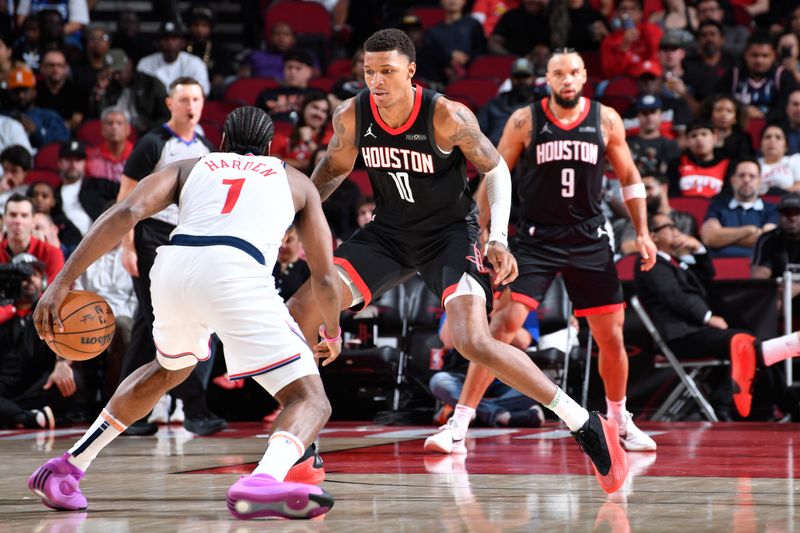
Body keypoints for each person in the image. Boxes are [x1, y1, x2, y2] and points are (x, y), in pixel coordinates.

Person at [286, 30, 629, 493]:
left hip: (449, 236)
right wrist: (292, 216)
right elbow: (332, 170)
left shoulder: (445, 114)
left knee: (472, 340)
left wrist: (499, 238)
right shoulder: (352, 114)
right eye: (369, 72)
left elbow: (495, 168)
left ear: (410, 71)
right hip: (388, 234)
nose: (376, 82)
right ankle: (302, 449)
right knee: (297, 313)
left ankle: (583, 421)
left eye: (386, 71)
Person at [28, 106, 339, 519]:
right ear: (268, 148)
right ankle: (262, 481)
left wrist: (62, 281)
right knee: (310, 399)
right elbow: (324, 277)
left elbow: (125, 213)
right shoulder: (296, 180)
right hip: (236, 271)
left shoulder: (190, 166)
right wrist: (331, 333)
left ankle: (67, 468)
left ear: (222, 143)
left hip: (174, 268)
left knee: (169, 368)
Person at [426, 48, 658, 456]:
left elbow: (631, 178)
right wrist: (476, 231)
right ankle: (458, 425)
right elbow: (493, 173)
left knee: (611, 336)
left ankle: (620, 421)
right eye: (557, 73)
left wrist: (643, 232)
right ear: (546, 79)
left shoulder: (605, 119)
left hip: (589, 238)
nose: (566, 79)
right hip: (537, 241)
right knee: (498, 329)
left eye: (573, 72)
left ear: (585, 76)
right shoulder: (524, 120)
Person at [117, 77, 222, 437]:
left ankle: (128, 412)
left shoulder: (208, 146)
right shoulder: (153, 143)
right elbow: (126, 200)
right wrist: (127, 246)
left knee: (149, 326)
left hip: (188, 239)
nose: (190, 106)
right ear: (170, 104)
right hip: (150, 237)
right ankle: (196, 410)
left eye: (196, 99)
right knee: (166, 321)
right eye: (183, 100)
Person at [636, 212, 800, 418]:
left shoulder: (675, 261)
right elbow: (674, 298)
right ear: (653, 236)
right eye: (669, 227)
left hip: (696, 331)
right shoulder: (649, 262)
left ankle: (730, 404)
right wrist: (707, 317)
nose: (676, 231)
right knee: (743, 342)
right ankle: (784, 403)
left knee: (748, 342)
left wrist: (699, 249)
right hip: (680, 337)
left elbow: (707, 274)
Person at [700, 158, 778, 258]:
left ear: (760, 181)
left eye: (752, 176)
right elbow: (709, 238)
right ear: (732, 180)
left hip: (757, 268)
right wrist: (749, 230)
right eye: (741, 175)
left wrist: (722, 237)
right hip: (720, 267)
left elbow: (768, 241)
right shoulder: (717, 206)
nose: (746, 180)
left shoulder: (771, 209)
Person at [0, 194, 63, 282]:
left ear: (33, 221)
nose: (18, 221)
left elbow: (55, 293)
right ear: (4, 219)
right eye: (13, 215)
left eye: (24, 215)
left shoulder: (52, 254)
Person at [85, 106, 134, 183]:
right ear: (102, 129)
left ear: (128, 129)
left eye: (119, 123)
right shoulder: (90, 157)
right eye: (109, 123)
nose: (114, 127)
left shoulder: (137, 155)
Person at [758, 124, 800, 194]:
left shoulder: (795, 160)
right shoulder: (753, 164)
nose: (772, 140)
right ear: (761, 145)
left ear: (786, 146)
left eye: (778, 137)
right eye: (767, 137)